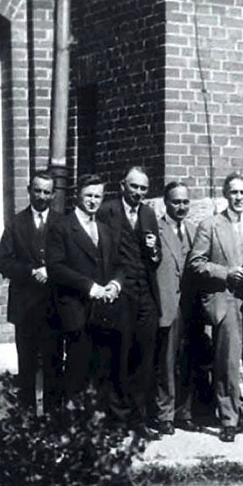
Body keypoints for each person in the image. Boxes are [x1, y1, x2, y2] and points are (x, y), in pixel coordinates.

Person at [187, 172, 243, 442]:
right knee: (227, 362)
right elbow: (196, 263)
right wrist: (227, 272)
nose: (238, 198)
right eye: (233, 192)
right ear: (226, 195)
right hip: (226, 300)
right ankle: (229, 418)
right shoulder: (210, 225)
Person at [46, 174, 124, 403]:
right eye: (88, 195)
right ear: (77, 196)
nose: (93, 201)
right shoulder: (61, 227)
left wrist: (114, 285)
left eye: (97, 196)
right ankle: (74, 428)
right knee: (76, 371)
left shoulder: (105, 229)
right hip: (75, 310)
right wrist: (90, 287)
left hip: (104, 311)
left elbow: (119, 265)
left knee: (101, 371)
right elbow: (56, 267)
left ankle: (98, 427)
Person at [97, 166, 161, 434]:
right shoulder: (107, 210)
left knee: (143, 357)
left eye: (143, 188)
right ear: (122, 185)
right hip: (118, 294)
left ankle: (139, 419)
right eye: (134, 187)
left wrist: (153, 250)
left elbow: (156, 258)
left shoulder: (148, 213)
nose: (138, 193)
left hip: (145, 291)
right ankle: (117, 421)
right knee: (118, 357)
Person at [0, 170, 63, 412]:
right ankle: (26, 422)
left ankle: (54, 419)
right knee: (26, 365)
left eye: (47, 192)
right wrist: (30, 271)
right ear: (29, 191)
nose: (42, 196)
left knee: (54, 363)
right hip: (25, 307)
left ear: (53, 195)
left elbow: (69, 262)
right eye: (38, 190)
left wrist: (51, 271)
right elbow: (3, 262)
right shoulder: (16, 223)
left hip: (54, 307)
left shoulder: (62, 223)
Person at [150, 181, 198, 435]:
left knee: (187, 359)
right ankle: (164, 414)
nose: (181, 207)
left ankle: (184, 411)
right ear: (166, 203)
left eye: (185, 202)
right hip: (166, 304)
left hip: (190, 306)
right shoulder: (154, 230)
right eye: (176, 202)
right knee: (166, 362)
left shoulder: (194, 231)